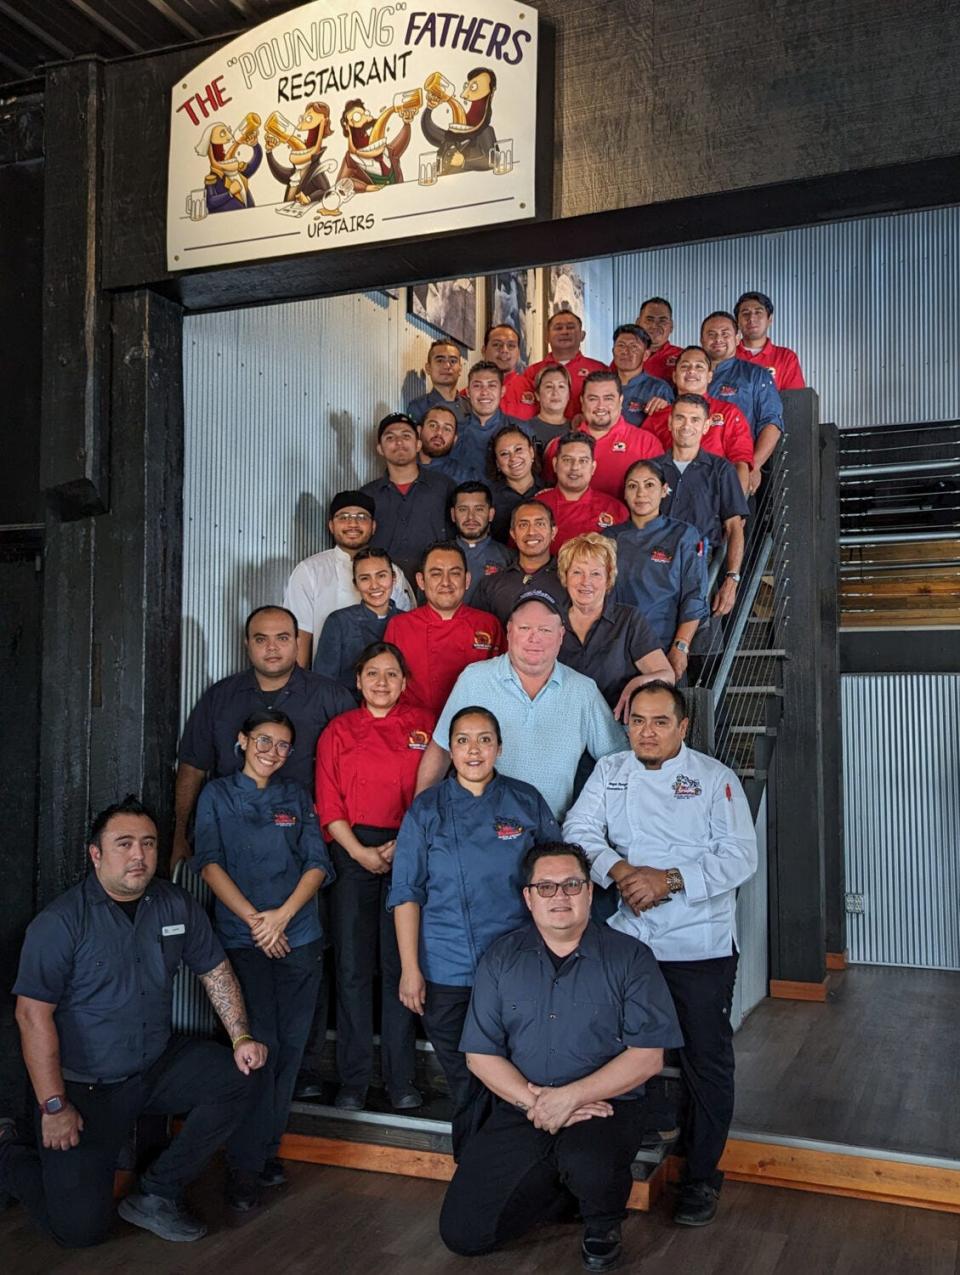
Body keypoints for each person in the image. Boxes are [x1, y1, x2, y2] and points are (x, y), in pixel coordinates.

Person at [0, 797, 268, 1246]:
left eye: (147, 843)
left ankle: (157, 1192)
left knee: (238, 1076)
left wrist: (241, 1035)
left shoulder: (173, 903)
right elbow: (31, 1016)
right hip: (85, 1087)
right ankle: (7, 1151)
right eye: (123, 844)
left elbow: (215, 970)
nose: (139, 855)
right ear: (96, 854)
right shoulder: (61, 922)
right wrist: (53, 1106)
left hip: (154, 1064)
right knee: (80, 1231)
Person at [563, 681, 758, 1227]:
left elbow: (740, 857)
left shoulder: (716, 779)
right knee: (622, 1051)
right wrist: (621, 872)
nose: (647, 732)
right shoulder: (611, 771)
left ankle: (701, 1176)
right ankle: (621, 1153)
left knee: (705, 1059)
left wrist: (668, 879)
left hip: (700, 944)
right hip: (633, 939)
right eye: (638, 722)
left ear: (682, 726)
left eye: (660, 722)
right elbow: (577, 829)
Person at [438, 841, 682, 1270]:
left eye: (571, 884)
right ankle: (559, 1188)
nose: (560, 896)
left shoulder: (631, 958)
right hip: (524, 1104)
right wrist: (538, 1103)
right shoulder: (500, 958)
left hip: (606, 1105)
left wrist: (570, 1098)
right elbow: (479, 1055)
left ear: (590, 892)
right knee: (463, 1234)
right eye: (546, 888)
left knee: (590, 1162)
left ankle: (602, 1222)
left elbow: (647, 1057)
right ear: (528, 897)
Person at [389, 707, 560, 1155]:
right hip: (447, 970)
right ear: (450, 750)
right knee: (466, 1080)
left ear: (499, 748)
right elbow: (407, 891)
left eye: (484, 740)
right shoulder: (427, 809)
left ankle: (520, 1175)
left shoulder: (525, 801)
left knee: (519, 1073)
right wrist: (411, 969)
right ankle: (475, 1177)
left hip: (517, 967)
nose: (473, 750)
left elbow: (556, 881)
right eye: (462, 740)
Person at [192, 710, 333, 1212]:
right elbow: (208, 864)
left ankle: (266, 1152)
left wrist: (282, 918)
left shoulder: (295, 797)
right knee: (259, 1048)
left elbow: (318, 863)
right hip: (242, 939)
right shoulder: (217, 794)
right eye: (263, 741)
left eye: (282, 745)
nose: (272, 751)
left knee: (291, 1051)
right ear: (242, 739)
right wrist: (258, 922)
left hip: (299, 937)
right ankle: (243, 1168)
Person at [315, 642, 435, 1111]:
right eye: (372, 674)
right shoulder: (338, 730)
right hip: (351, 852)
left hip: (409, 846)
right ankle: (354, 1080)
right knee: (352, 968)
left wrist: (402, 843)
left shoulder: (424, 725)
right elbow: (328, 800)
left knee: (402, 966)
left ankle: (402, 1079)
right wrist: (360, 853)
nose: (382, 682)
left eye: (391, 674)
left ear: (404, 682)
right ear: (358, 680)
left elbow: (433, 790)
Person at [173, 605, 355, 868]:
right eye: (261, 639)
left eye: (282, 638)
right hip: (232, 842)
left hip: (308, 841)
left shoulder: (332, 698)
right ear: (247, 643)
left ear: (296, 642)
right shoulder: (220, 698)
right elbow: (193, 766)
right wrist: (179, 835)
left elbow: (357, 771)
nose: (272, 648)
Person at [417, 592, 625, 819]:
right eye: (525, 628)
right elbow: (441, 749)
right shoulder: (474, 679)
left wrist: (596, 819)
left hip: (548, 835)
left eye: (545, 630)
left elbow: (618, 759)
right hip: (478, 828)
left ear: (561, 635)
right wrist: (418, 818)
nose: (534, 638)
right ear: (509, 631)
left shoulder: (583, 690)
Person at [283, 489, 416, 668]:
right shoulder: (309, 571)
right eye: (343, 517)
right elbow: (301, 636)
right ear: (331, 525)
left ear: (373, 526)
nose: (352, 523)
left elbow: (408, 629)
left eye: (362, 517)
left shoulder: (394, 573)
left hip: (385, 686)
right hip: (329, 681)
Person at [606, 461, 710, 683]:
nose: (641, 493)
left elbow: (694, 597)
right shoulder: (608, 538)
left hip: (662, 647)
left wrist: (680, 647)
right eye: (633, 486)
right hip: (615, 648)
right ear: (624, 492)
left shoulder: (684, 535)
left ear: (664, 490)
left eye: (649, 485)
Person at [557, 533, 673, 716]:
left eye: (596, 574)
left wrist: (637, 684)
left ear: (608, 578)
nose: (586, 582)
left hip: (616, 728)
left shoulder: (629, 619)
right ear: (565, 576)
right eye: (577, 572)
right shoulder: (550, 621)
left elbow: (667, 676)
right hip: (563, 728)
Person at [657, 394, 749, 619]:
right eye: (680, 418)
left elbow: (735, 527)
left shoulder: (721, 470)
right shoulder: (651, 469)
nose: (687, 425)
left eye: (695, 419)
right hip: (655, 566)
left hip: (702, 566)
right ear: (670, 422)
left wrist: (732, 579)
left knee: (700, 645)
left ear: (706, 425)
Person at [384, 542, 503, 715]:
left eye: (455, 573)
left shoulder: (488, 625)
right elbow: (387, 685)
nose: (446, 582)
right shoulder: (399, 626)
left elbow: (503, 685)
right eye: (436, 574)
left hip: (472, 731)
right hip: (415, 731)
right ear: (421, 581)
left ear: (467, 580)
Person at [643, 345, 754, 492]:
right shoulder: (658, 415)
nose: (691, 371)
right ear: (675, 376)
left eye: (699, 367)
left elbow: (740, 464)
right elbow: (644, 465)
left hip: (715, 498)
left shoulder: (729, 413)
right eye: (685, 366)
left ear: (709, 376)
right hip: (668, 499)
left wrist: (735, 509)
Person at [361, 412, 455, 582]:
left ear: (418, 444)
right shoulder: (367, 495)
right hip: (384, 590)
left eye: (406, 436)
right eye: (390, 438)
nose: (399, 442)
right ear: (380, 449)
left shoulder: (444, 487)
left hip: (434, 587)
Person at [701, 311, 783, 493]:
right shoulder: (692, 375)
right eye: (711, 334)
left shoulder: (756, 375)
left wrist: (753, 466)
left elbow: (772, 424)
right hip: (697, 474)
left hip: (737, 472)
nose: (718, 339)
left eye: (725, 334)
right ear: (701, 340)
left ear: (737, 338)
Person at [542, 370, 660, 497]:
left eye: (608, 398)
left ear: (620, 401)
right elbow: (550, 498)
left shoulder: (647, 443)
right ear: (582, 402)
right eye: (593, 399)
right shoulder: (558, 446)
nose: (600, 406)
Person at [313, 547, 400, 692]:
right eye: (365, 578)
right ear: (356, 584)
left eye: (381, 576)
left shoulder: (408, 621)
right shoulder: (338, 622)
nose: (374, 585)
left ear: (394, 578)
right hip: (347, 709)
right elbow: (324, 683)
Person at [472, 500, 566, 623]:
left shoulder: (568, 580)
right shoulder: (491, 584)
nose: (531, 532)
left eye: (540, 524)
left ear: (553, 532)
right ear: (513, 534)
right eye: (523, 525)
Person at [537, 433, 628, 552]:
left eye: (583, 461)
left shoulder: (616, 510)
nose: (575, 467)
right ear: (555, 464)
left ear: (593, 467)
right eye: (567, 460)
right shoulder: (535, 507)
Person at [523, 311, 607, 419]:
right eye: (558, 328)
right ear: (547, 336)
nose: (564, 332)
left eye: (570, 327)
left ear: (582, 335)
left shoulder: (599, 369)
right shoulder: (532, 372)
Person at [457, 360, 531, 480]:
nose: (484, 392)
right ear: (468, 392)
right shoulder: (455, 432)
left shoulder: (522, 429)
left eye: (491, 385)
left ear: (502, 391)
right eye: (477, 386)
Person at [448, 481, 515, 604]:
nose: (470, 517)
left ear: (491, 514)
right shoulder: (439, 556)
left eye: (479, 509)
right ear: (453, 514)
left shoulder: (508, 557)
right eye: (463, 509)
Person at [264, 101, 334, 205]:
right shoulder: (295, 172)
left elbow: (325, 190)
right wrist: (269, 151)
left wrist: (309, 198)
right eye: (303, 118)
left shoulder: (314, 171)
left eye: (309, 118)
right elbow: (280, 174)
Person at [734, 291, 805, 391]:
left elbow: (795, 401)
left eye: (758, 312)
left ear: (770, 319)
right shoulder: (728, 355)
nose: (751, 318)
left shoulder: (786, 357)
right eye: (745, 314)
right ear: (737, 321)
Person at [487, 425, 544, 543]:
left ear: (532, 452)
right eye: (504, 454)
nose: (513, 458)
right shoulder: (489, 498)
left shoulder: (549, 490)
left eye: (518, 449)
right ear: (497, 463)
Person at [611, 323, 675, 424]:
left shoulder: (659, 389)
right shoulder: (602, 385)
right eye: (621, 345)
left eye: (634, 347)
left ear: (646, 355)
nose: (625, 351)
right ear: (613, 351)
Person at [482, 323, 537, 419]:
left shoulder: (534, 390)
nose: (504, 350)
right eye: (496, 344)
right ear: (484, 350)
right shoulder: (469, 394)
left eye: (511, 345)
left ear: (518, 352)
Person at [407, 339, 468, 424]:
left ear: (460, 369)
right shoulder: (418, 407)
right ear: (428, 368)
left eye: (453, 361)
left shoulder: (471, 406)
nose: (447, 366)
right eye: (440, 360)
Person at [417, 404, 473, 485]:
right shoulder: (400, 470)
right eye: (433, 425)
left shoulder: (465, 477)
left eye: (447, 429)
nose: (439, 432)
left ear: (454, 439)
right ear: (419, 431)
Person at [635, 297, 682, 383]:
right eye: (649, 320)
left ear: (671, 326)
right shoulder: (627, 355)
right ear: (638, 323)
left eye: (662, 321)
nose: (654, 326)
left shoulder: (683, 357)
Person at [527, 363, 573, 450]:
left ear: (568, 395)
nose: (555, 392)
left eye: (561, 386)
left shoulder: (576, 429)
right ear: (537, 395)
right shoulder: (525, 429)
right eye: (549, 386)